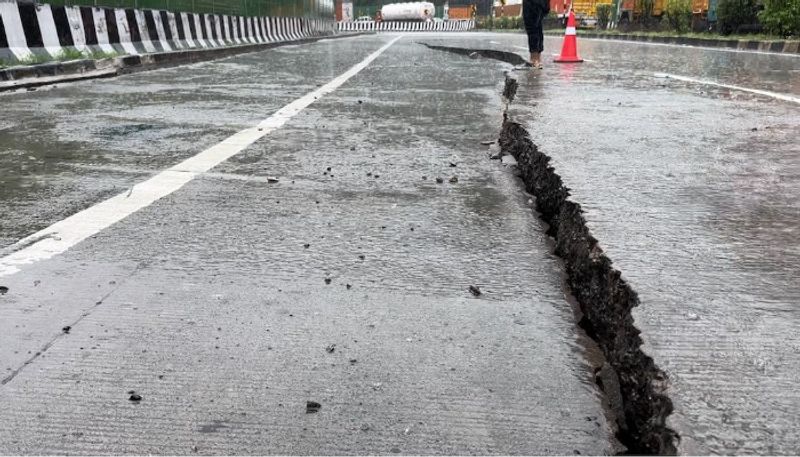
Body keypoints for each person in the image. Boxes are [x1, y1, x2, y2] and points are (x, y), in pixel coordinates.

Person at [522, 0, 550, 68]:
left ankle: (534, 60)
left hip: (533, 3)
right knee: (537, 27)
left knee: (532, 28)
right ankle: (537, 59)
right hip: (542, 3)